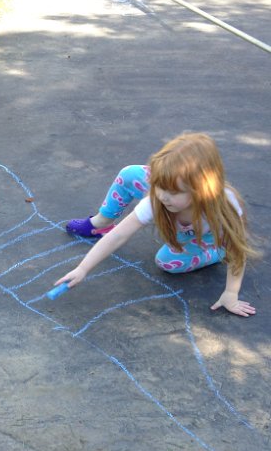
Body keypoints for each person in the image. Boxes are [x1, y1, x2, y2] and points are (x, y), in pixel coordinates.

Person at [56, 132, 258, 317]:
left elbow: (237, 250)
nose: (163, 196)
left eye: (173, 192)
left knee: (167, 262)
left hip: (202, 234)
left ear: (201, 190)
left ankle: (216, 251)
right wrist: (82, 268)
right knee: (129, 174)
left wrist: (231, 293)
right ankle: (102, 223)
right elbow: (118, 235)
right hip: (176, 200)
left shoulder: (224, 207)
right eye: (158, 185)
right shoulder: (157, 198)